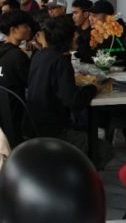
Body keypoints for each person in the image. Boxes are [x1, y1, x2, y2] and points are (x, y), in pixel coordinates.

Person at [24, 16, 98, 154]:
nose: (76, 37)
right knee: (104, 150)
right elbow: (73, 101)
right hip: (53, 132)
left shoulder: (38, 55)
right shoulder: (60, 61)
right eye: (74, 35)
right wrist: (94, 88)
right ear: (67, 38)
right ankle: (77, 166)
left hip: (33, 126)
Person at [0, 10, 33, 98]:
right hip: (14, 103)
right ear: (13, 30)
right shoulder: (17, 55)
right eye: (25, 26)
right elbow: (32, 82)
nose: (29, 29)